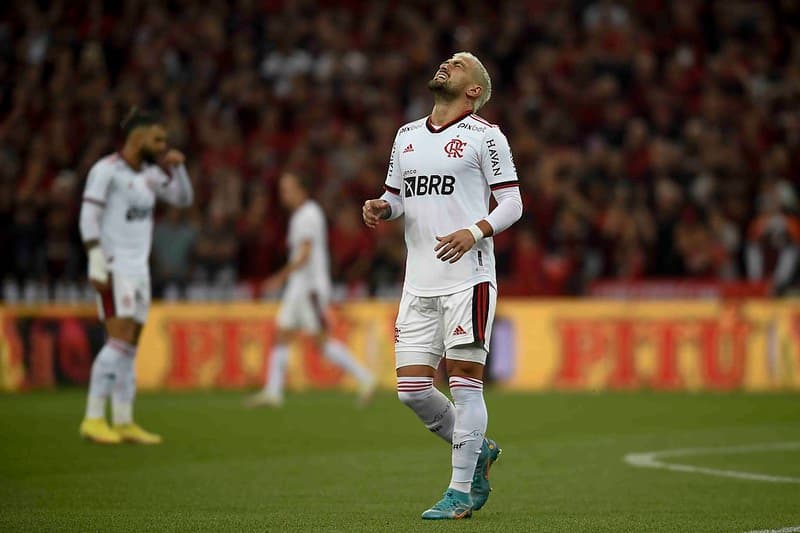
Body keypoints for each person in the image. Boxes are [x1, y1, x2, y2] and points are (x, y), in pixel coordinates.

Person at [362, 52, 523, 519]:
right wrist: (381, 207)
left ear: (474, 90)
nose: (447, 65)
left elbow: (512, 203)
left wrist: (473, 232)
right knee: (411, 390)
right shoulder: (406, 136)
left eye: (459, 65)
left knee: (465, 387)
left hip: (467, 279)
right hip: (418, 283)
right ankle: (479, 450)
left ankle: (459, 492)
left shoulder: (486, 137)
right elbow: (397, 197)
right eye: (448, 61)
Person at [78, 108, 194, 444]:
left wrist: (177, 168)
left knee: (130, 345)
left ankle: (125, 420)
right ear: (137, 137)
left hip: (139, 269)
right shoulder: (106, 171)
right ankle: (93, 417)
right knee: (118, 339)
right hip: (114, 266)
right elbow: (89, 216)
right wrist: (96, 257)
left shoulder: (148, 175)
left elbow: (183, 199)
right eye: (157, 139)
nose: (161, 146)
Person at [246, 171, 376, 408]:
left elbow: (304, 254)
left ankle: (365, 377)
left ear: (301, 189)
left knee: (321, 342)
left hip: (310, 289)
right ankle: (273, 392)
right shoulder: (300, 215)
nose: (283, 195)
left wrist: (278, 278)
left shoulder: (308, 215)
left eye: (287, 189)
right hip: (298, 287)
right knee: (282, 333)